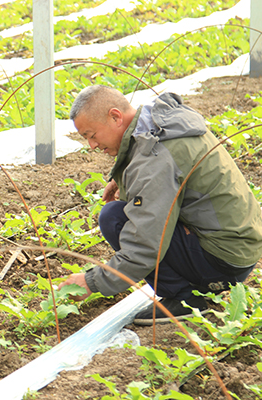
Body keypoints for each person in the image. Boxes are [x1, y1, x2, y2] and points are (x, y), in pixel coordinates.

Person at [58, 85, 262, 325]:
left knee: (114, 218)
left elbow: (144, 243)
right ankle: (193, 283)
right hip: (240, 247)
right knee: (126, 213)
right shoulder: (162, 124)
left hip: (222, 261)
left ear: (115, 116)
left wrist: (92, 282)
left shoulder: (155, 157)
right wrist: (123, 176)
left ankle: (184, 298)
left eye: (92, 135)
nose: (92, 145)